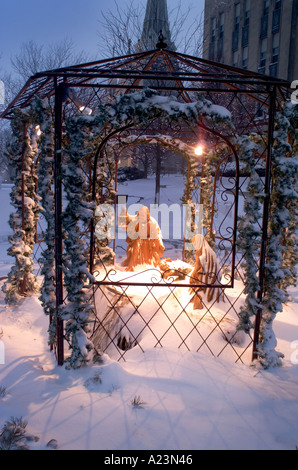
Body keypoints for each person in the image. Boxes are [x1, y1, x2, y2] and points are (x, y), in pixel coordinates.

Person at [119, 205, 165, 271]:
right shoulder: (136, 220)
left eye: (143, 215)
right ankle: (134, 266)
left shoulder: (152, 222)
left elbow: (157, 233)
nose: (142, 217)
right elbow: (128, 222)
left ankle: (149, 266)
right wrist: (124, 212)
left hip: (149, 242)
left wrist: (159, 243)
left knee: (150, 256)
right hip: (138, 241)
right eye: (140, 215)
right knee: (136, 251)